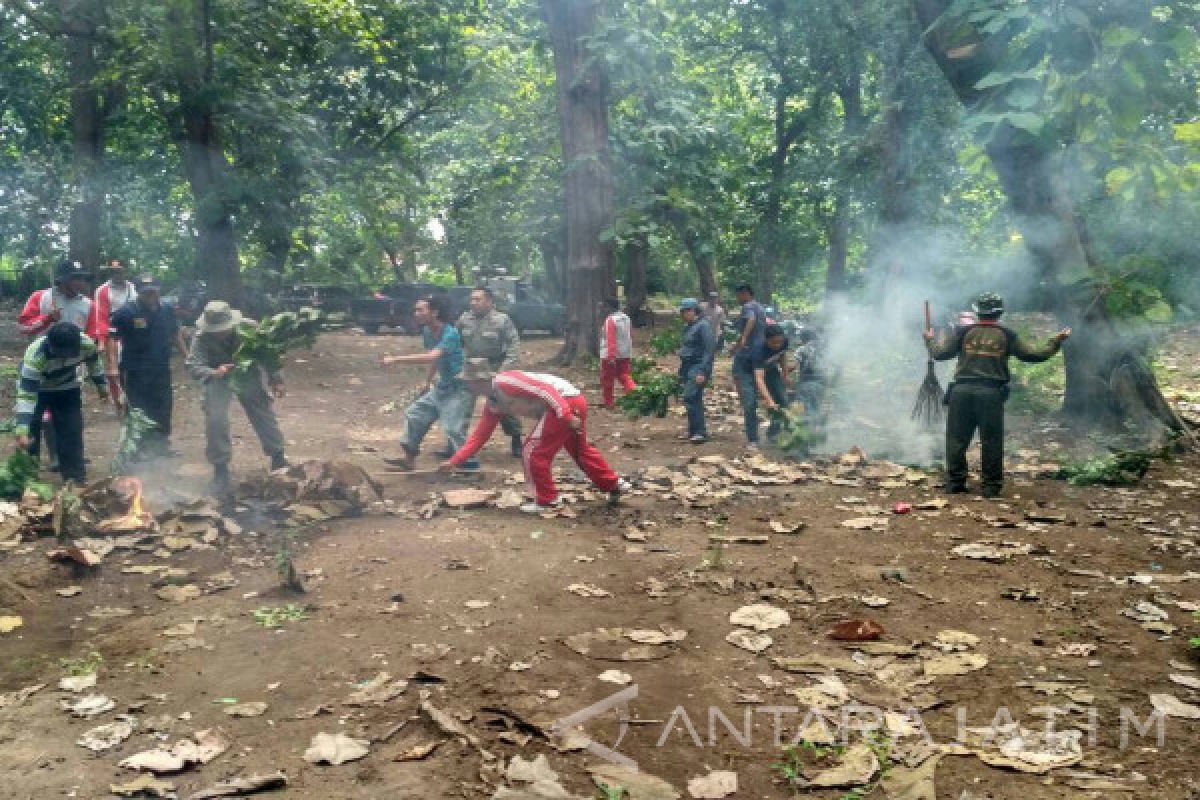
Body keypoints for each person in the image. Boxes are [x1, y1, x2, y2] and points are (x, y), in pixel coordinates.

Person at [925, 291, 1070, 498]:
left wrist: (929, 340)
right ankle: (991, 487)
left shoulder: (962, 332)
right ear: (999, 312)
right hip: (990, 394)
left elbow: (939, 354)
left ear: (977, 312)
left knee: (956, 439)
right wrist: (1056, 340)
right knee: (991, 441)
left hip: (961, 392)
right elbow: (1034, 355)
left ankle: (956, 483)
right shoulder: (1008, 335)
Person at [443, 360, 628, 513]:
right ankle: (613, 484)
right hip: (572, 402)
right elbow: (480, 436)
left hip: (564, 404)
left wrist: (566, 416)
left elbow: (546, 390)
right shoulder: (493, 402)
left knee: (532, 452)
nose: (465, 385)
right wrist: (456, 461)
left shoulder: (506, 382)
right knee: (580, 451)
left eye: (467, 382)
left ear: (479, 381)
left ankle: (547, 500)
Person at [186, 301, 288, 494]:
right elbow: (193, 366)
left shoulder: (250, 327)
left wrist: (276, 379)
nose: (219, 333)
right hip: (218, 376)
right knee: (216, 419)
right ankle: (221, 469)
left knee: (262, 412)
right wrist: (214, 372)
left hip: (246, 372)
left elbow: (269, 353)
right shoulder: (200, 337)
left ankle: (278, 457)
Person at [17, 259, 98, 466]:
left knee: (68, 420)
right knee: (38, 418)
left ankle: (67, 461)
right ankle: (33, 463)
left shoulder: (88, 304)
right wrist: (46, 319)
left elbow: (91, 336)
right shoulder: (41, 298)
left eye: (82, 278)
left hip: (71, 368)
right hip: (39, 365)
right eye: (76, 278)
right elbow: (23, 328)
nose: (81, 282)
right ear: (62, 280)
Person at [382, 294, 475, 471]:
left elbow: (432, 356)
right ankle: (409, 460)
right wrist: (428, 380)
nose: (416, 313)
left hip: (460, 386)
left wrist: (396, 359)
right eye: (415, 309)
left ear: (434, 312)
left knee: (453, 428)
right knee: (415, 415)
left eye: (420, 310)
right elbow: (435, 359)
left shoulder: (450, 333)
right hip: (443, 385)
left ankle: (469, 466)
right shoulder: (428, 332)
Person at [13, 322, 110, 482]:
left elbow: (94, 363)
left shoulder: (86, 344)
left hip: (67, 387)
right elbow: (27, 395)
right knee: (31, 432)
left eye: (68, 353)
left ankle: (74, 477)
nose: (63, 356)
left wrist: (101, 386)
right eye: (59, 352)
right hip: (37, 388)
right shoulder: (36, 355)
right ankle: (28, 477)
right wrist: (22, 428)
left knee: (71, 430)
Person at [108, 275, 189, 459]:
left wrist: (187, 356)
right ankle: (137, 447)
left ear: (159, 289)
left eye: (154, 290)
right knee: (138, 407)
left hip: (160, 366)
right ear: (138, 292)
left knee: (163, 404)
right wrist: (112, 366)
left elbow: (175, 334)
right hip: (135, 369)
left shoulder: (167, 309)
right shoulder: (126, 312)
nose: (151, 294)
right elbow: (111, 338)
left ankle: (161, 444)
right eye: (146, 292)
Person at [456, 286, 523, 457]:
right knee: (462, 404)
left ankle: (516, 438)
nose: (473, 303)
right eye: (472, 299)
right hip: (471, 367)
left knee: (503, 404)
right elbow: (456, 342)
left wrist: (503, 372)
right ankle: (456, 442)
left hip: (494, 366)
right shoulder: (464, 319)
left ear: (489, 301)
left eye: (478, 299)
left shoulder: (502, 320)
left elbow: (513, 346)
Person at [90, 259, 140, 408]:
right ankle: (119, 401)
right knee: (114, 370)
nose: (117, 274)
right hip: (113, 334)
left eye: (120, 271)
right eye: (114, 271)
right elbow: (101, 316)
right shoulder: (103, 290)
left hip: (133, 332)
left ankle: (135, 398)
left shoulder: (134, 288)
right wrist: (101, 340)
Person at [729, 283, 768, 448]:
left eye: (739, 295)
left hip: (747, 357)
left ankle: (753, 438)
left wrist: (743, 338)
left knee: (748, 399)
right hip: (759, 355)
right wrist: (737, 344)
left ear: (745, 294)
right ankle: (770, 431)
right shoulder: (761, 307)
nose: (738, 299)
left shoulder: (748, 306)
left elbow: (750, 320)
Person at [677, 298, 717, 443]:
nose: (683, 314)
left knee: (691, 397)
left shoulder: (703, 326)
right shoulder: (688, 326)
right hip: (687, 366)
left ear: (693, 310)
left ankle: (700, 431)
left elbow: (709, 351)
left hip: (698, 366)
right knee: (692, 399)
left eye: (685, 311)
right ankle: (693, 430)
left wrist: (702, 371)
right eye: (682, 311)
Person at [749, 324, 792, 444]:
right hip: (749, 372)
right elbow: (759, 379)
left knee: (783, 401)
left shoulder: (784, 341)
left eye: (780, 342)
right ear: (766, 339)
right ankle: (756, 438)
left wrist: (785, 374)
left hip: (771, 369)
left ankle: (780, 431)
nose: (777, 345)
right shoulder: (758, 350)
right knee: (751, 404)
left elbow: (782, 355)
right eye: (774, 342)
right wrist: (769, 400)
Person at [598, 297, 636, 410]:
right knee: (624, 375)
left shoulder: (611, 320)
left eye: (604, 306)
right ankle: (635, 393)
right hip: (625, 353)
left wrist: (611, 356)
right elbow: (630, 335)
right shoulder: (626, 318)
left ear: (609, 307)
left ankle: (609, 402)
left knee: (607, 379)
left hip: (610, 355)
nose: (602, 309)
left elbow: (611, 339)